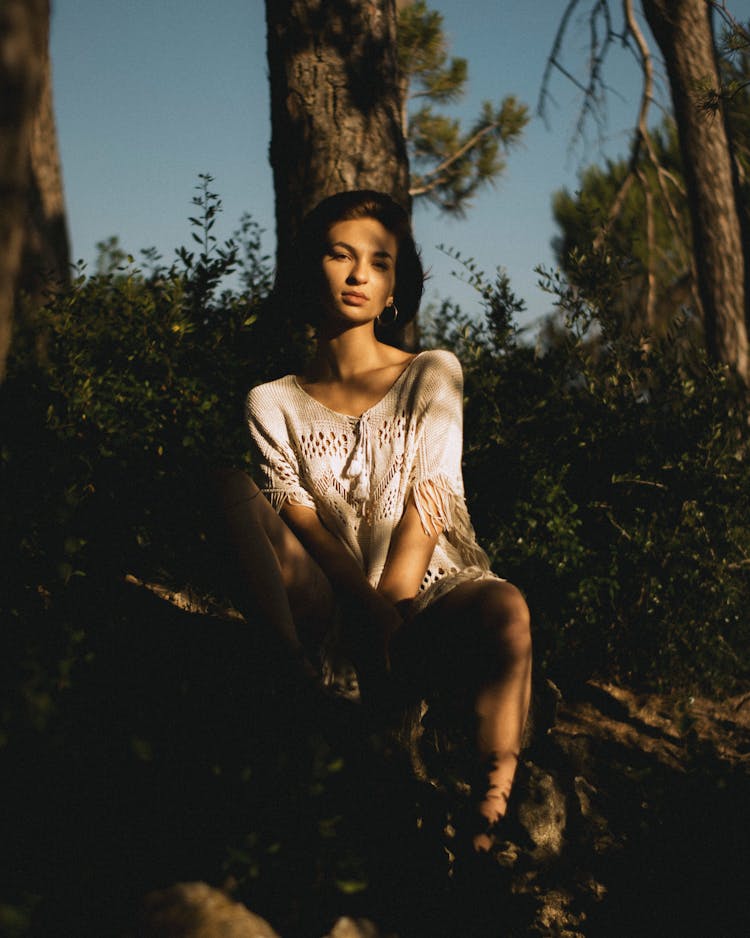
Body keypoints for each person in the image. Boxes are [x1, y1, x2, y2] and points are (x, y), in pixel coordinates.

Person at [219, 190, 532, 852]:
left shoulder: (431, 371)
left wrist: (390, 615)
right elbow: (302, 525)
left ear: (394, 285)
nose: (360, 274)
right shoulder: (270, 403)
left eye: (379, 262)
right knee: (227, 489)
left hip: (426, 592)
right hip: (330, 594)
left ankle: (491, 810)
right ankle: (294, 684)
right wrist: (360, 608)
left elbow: (429, 502)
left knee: (507, 606)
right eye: (341, 255)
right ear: (313, 269)